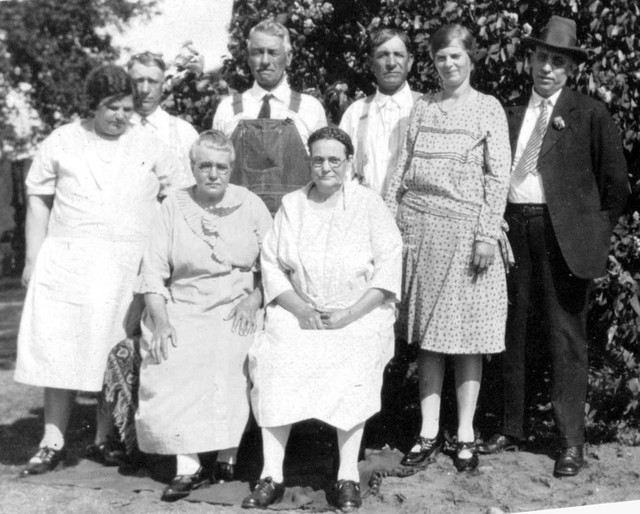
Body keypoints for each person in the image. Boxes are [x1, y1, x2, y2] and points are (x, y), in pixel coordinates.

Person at [476, 16, 629, 477]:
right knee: (514, 328)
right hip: (515, 228)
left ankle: (570, 441)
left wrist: (592, 234)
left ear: (570, 69)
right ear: (530, 60)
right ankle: (512, 425)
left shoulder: (590, 114)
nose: (546, 68)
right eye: (541, 57)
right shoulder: (508, 113)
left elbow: (615, 186)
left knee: (566, 337)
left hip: (564, 238)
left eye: (557, 61)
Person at [14, 64, 181, 476]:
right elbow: (37, 195)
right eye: (111, 108)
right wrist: (34, 257)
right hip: (69, 261)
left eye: (126, 108)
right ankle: (52, 440)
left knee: (111, 350)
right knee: (61, 349)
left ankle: (104, 438)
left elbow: (177, 193)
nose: (120, 116)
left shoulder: (150, 144)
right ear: (93, 106)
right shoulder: (64, 140)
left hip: (126, 264)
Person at [242, 127, 402, 510]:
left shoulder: (368, 204)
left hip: (357, 311)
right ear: (308, 161)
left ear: (348, 163)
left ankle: (346, 474)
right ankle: (272, 474)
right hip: (301, 309)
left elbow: (388, 267)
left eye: (334, 159)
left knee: (354, 360)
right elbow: (272, 265)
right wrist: (300, 309)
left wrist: (348, 314)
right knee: (275, 358)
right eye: (318, 159)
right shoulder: (292, 205)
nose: (326, 167)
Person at [385, 24, 511, 473]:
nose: (448, 64)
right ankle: (427, 432)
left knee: (466, 338)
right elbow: (402, 169)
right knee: (428, 340)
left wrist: (485, 233)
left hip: (466, 235)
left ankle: (465, 433)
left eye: (456, 56)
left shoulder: (488, 108)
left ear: (470, 58)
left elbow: (499, 176)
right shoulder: (422, 108)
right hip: (418, 232)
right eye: (440, 58)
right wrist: (387, 229)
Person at [133, 130, 272, 501]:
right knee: (173, 356)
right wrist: (161, 320)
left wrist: (254, 300)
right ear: (192, 167)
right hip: (184, 305)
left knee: (231, 354)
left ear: (232, 168)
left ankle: (228, 453)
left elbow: (275, 266)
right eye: (205, 166)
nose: (213, 174)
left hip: (235, 305)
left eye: (221, 166)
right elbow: (152, 272)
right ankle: (188, 464)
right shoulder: (173, 206)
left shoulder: (250, 204)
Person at [212, 19, 327, 214]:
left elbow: (324, 174)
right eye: (258, 52)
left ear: (288, 57)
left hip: (296, 223)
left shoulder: (310, 109)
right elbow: (214, 174)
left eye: (273, 53)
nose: (265, 61)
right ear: (249, 58)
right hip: (238, 224)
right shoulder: (228, 109)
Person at [339, 28, 421, 196]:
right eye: (383, 55)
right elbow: (342, 171)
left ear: (410, 61)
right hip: (366, 214)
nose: (391, 63)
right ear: (370, 63)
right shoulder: (355, 113)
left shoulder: (426, 108)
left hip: (414, 213)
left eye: (398, 54)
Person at [128, 51, 199, 187]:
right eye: (138, 81)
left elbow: (196, 190)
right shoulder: (114, 132)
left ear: (163, 84)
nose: (145, 89)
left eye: (153, 81)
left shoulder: (184, 132)